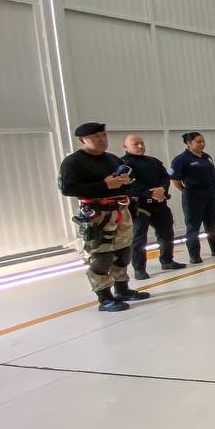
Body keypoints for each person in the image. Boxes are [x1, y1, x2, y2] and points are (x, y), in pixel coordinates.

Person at [57, 122, 152, 312]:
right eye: (95, 137)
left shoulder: (112, 159)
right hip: (98, 215)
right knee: (102, 256)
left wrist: (125, 182)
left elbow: (125, 184)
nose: (102, 140)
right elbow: (67, 188)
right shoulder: (73, 162)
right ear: (82, 140)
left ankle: (122, 289)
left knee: (123, 252)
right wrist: (103, 185)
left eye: (103, 135)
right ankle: (105, 297)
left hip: (120, 211)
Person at [122, 134, 186, 280]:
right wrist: (150, 192)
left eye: (141, 143)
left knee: (167, 233)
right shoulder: (123, 164)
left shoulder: (153, 161)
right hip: (139, 206)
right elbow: (129, 183)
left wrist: (162, 190)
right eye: (135, 144)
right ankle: (139, 269)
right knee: (139, 239)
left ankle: (167, 261)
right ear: (125, 146)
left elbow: (165, 177)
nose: (140, 146)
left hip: (159, 203)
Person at [170, 132, 215, 264]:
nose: (202, 144)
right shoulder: (181, 159)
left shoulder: (206, 157)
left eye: (203, 141)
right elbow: (175, 179)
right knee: (193, 226)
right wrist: (185, 191)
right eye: (198, 142)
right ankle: (194, 255)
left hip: (210, 192)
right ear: (189, 143)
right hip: (193, 195)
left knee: (213, 223)